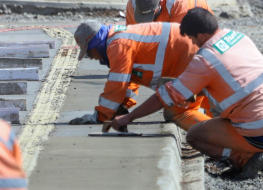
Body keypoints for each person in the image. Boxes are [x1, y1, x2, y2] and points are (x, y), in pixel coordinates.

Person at [110, 9, 263, 179]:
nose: (193, 44)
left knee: (194, 136)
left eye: (192, 39)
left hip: (262, 134)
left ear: (201, 35)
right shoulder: (238, 37)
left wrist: (128, 118)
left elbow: (164, 97)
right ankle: (248, 151)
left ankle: (243, 159)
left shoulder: (205, 59)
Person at [69, 20, 210, 130]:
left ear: (96, 43)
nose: (91, 58)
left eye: (88, 52)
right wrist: (122, 107)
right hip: (191, 52)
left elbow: (116, 84)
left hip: (187, 57)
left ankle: (226, 144)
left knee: (179, 113)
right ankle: (228, 132)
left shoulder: (117, 45)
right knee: (211, 99)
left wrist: (101, 116)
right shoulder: (118, 38)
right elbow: (128, 80)